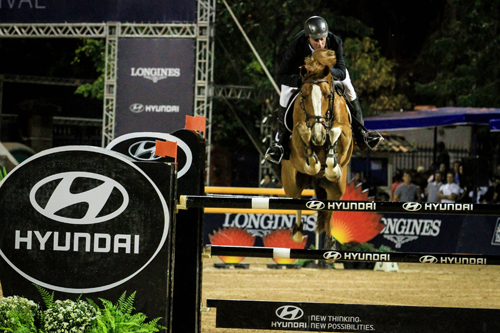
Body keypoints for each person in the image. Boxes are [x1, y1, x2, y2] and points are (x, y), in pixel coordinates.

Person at [265, 16, 382, 164]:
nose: (320, 43)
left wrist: (325, 74)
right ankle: (280, 142)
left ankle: (362, 133)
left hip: (328, 75)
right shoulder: (296, 44)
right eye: (316, 40)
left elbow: (342, 70)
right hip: (303, 77)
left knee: (349, 87)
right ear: (308, 38)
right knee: (285, 93)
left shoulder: (335, 41)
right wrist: (302, 80)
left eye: (322, 39)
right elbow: (282, 75)